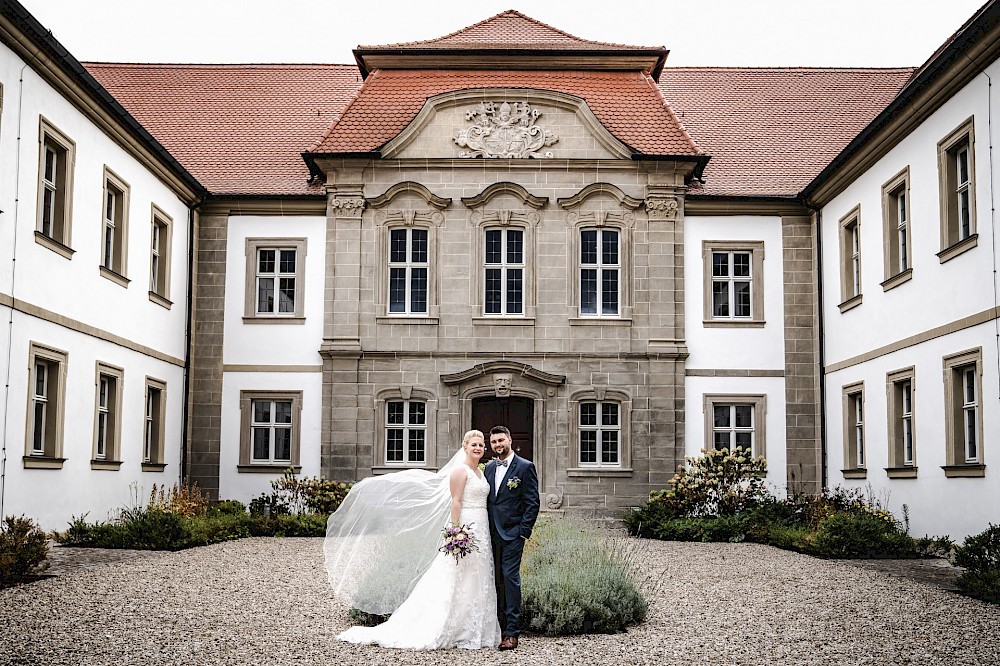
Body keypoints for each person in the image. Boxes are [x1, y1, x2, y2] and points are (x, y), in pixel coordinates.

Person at [327, 430, 501, 650]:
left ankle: (474, 628)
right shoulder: (460, 471)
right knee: (458, 575)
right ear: (464, 446)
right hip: (466, 526)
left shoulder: (480, 472)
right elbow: (456, 502)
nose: (478, 448)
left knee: (478, 575)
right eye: (474, 444)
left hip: (482, 527)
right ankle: (449, 627)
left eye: (481, 445)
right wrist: (456, 532)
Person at [484, 425, 540, 651]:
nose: (498, 445)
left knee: (510, 579)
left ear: (509, 439)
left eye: (501, 440)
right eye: (494, 442)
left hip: (513, 534)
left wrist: (523, 532)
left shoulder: (525, 467)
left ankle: (512, 633)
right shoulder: (488, 468)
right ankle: (498, 626)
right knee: (495, 579)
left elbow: (532, 502)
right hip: (489, 534)